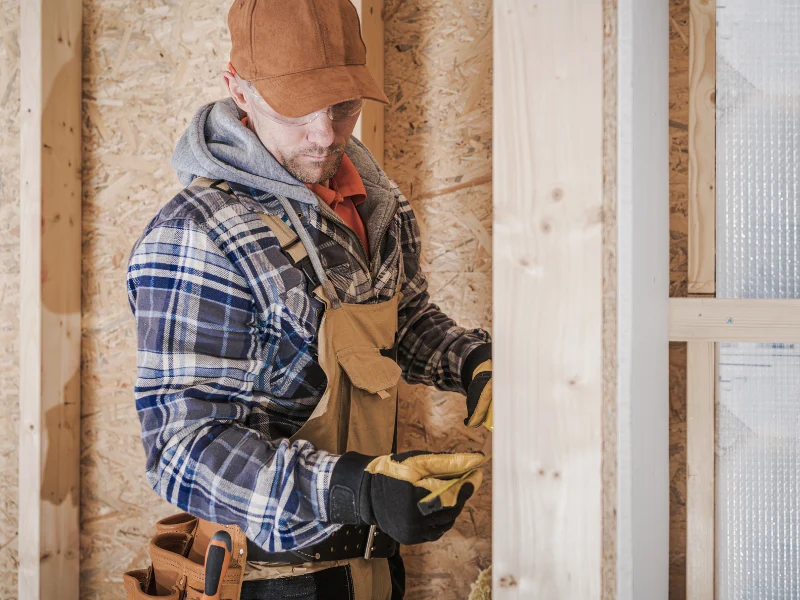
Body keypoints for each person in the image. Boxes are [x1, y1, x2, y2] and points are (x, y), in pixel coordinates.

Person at [125, 1, 493, 598]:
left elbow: (402, 320)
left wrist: (472, 362)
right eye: (297, 109)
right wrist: (354, 489)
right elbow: (181, 448)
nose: (326, 135)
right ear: (238, 91)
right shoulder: (201, 233)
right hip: (268, 579)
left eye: (343, 107)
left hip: (371, 567)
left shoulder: (375, 204)